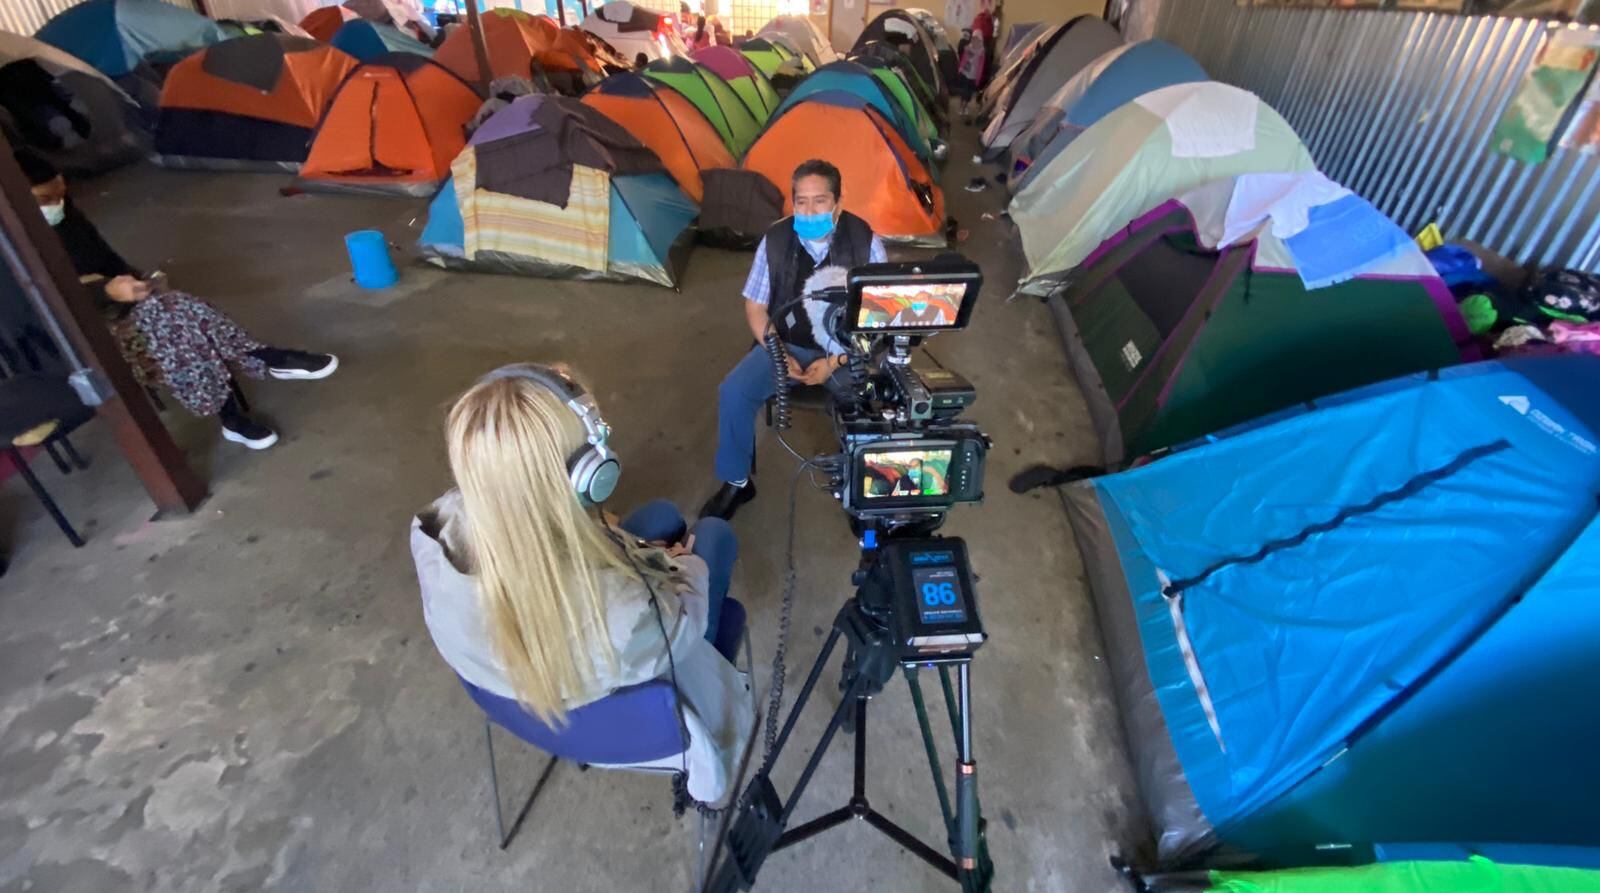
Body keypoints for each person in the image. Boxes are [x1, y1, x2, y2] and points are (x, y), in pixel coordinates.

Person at [411, 363, 751, 804]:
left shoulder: (435, 533)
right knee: (714, 537)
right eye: (597, 439)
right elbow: (680, 622)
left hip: (519, 702)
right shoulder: (631, 614)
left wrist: (627, 546)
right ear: (587, 475)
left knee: (662, 515)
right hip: (627, 716)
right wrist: (682, 565)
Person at [17, 150, 336, 450]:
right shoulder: (12, 252)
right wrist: (103, 291)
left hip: (122, 305)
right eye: (46, 199)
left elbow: (111, 266)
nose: (58, 204)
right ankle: (263, 362)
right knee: (177, 321)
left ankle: (236, 412)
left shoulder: (67, 219)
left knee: (177, 312)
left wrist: (137, 284)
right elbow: (38, 311)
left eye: (61, 193)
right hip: (75, 334)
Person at [700, 159, 886, 521]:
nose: (809, 211)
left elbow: (878, 321)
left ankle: (858, 483)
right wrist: (778, 353)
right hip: (786, 342)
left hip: (844, 350)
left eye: (820, 201)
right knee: (734, 391)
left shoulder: (866, 243)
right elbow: (755, 306)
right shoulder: (776, 240)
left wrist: (835, 361)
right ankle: (737, 481)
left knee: (863, 402)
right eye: (801, 201)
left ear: (838, 203)